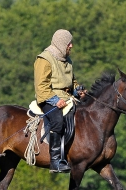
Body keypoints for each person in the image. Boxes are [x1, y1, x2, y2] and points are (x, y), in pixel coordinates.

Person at [34, 29, 84, 173]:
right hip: (48, 100)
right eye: (69, 43)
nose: (71, 46)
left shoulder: (67, 59)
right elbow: (41, 87)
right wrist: (55, 100)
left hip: (67, 99)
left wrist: (77, 90)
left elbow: (71, 82)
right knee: (57, 120)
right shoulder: (44, 59)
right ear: (62, 43)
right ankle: (55, 161)